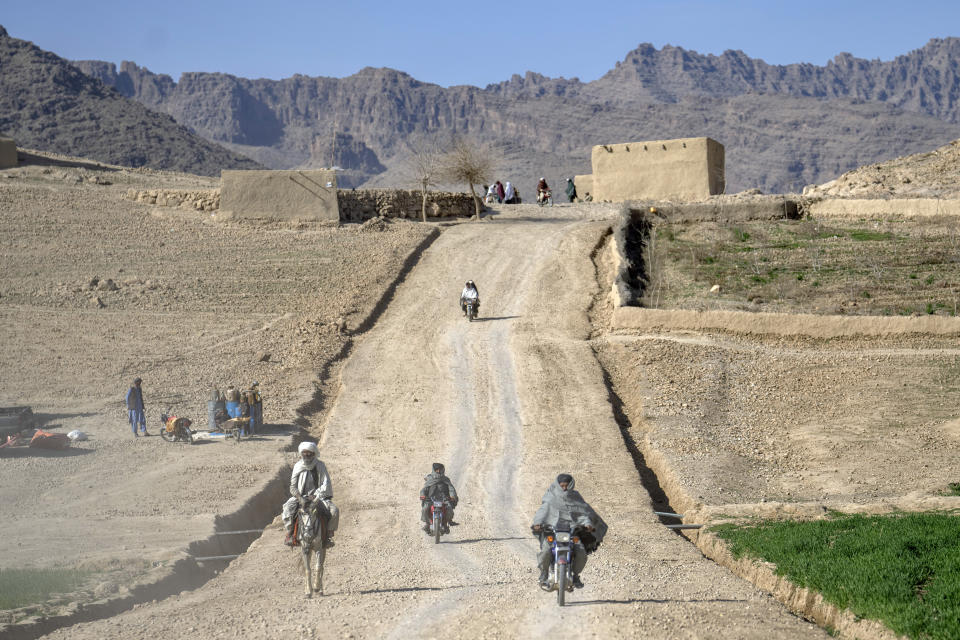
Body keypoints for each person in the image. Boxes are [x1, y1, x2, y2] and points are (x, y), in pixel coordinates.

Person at [531, 473, 606, 589]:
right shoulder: (551, 496)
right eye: (562, 486)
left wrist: (588, 524)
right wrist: (537, 523)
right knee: (545, 551)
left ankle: (575, 575)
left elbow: (584, 512)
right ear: (558, 485)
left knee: (581, 553)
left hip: (572, 531)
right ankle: (544, 573)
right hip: (553, 530)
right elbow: (543, 510)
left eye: (567, 486)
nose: (564, 488)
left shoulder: (575, 497)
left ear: (571, 485)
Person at [282, 441, 339, 547]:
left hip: (318, 497)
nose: (307, 455)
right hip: (301, 497)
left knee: (334, 510)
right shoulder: (297, 466)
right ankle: (290, 533)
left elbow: (326, 483)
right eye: (304, 453)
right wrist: (299, 497)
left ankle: (328, 535)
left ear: (314, 454)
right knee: (287, 509)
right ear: (301, 454)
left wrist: (316, 495)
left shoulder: (320, 465)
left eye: (309, 453)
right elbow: (292, 487)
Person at [420, 462, 458, 533]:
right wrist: (423, 495)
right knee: (425, 509)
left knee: (449, 509)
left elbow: (451, 489)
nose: (438, 471)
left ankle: (446, 523)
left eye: (440, 470)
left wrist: (452, 496)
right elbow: (424, 489)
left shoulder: (446, 479)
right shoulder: (429, 479)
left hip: (444, 499)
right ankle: (427, 524)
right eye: (436, 470)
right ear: (434, 470)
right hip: (431, 499)